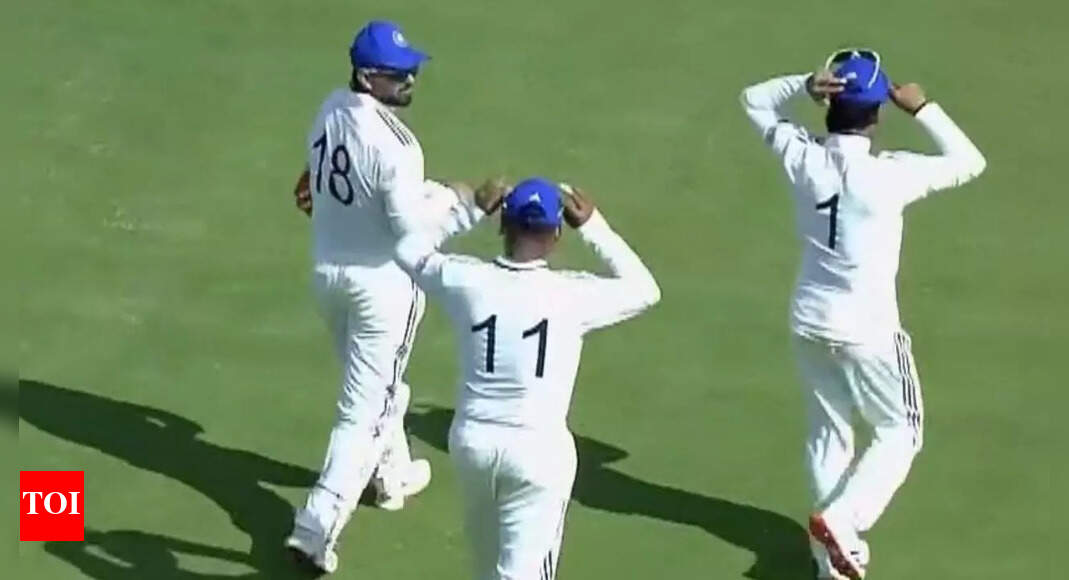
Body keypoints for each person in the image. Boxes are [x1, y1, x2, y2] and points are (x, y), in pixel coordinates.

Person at [740, 50, 986, 579]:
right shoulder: (890, 174)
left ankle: (830, 563)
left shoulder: (802, 155)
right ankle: (842, 522)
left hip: (809, 319)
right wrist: (924, 109)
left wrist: (801, 84)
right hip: (868, 329)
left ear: (828, 104)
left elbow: (754, 101)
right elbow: (970, 161)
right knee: (900, 431)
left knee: (828, 435)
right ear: (877, 113)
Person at [285, 20, 493, 574]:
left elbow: (320, 185)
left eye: (411, 70)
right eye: (397, 74)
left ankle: (391, 474)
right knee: (363, 412)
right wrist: (466, 207)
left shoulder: (329, 109)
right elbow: (411, 237)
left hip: (329, 277)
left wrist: (440, 194)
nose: (409, 81)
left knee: (378, 390)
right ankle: (316, 527)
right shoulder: (399, 145)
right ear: (367, 76)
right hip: (382, 291)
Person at [394, 178, 661, 579]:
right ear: (556, 234)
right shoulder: (570, 294)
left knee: (487, 568)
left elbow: (407, 251)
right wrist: (594, 227)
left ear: (504, 224)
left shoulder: (465, 279)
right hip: (538, 452)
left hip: (473, 444)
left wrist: (469, 211)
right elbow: (645, 290)